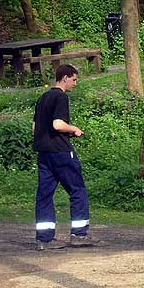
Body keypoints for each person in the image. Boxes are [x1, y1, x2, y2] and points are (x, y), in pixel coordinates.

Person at [33, 65, 97, 250]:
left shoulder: (43, 98)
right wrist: (74, 129)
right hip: (61, 153)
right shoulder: (61, 97)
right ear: (65, 78)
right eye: (74, 80)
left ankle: (43, 240)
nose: (75, 84)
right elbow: (58, 124)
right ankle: (79, 234)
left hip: (44, 155)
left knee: (44, 195)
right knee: (78, 191)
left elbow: (35, 128)